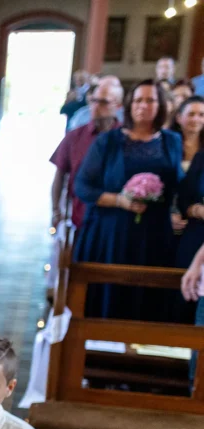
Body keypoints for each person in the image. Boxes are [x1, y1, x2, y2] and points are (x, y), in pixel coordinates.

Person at [74, 79, 183, 321]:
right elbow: (82, 186)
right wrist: (119, 200)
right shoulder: (109, 141)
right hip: (112, 234)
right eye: (138, 100)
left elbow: (178, 184)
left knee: (147, 303)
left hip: (155, 235)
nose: (143, 105)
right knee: (109, 300)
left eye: (150, 100)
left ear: (161, 105)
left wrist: (183, 209)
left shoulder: (172, 141)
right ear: (128, 105)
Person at [50, 80, 123, 232]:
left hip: (116, 220)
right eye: (94, 100)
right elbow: (60, 174)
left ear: (117, 105)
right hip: (80, 217)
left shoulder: (126, 137)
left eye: (103, 102)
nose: (96, 106)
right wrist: (56, 210)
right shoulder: (75, 136)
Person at [174, 96, 204, 322]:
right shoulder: (201, 158)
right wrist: (196, 210)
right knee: (184, 299)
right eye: (191, 114)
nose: (197, 119)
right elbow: (184, 197)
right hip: (195, 234)